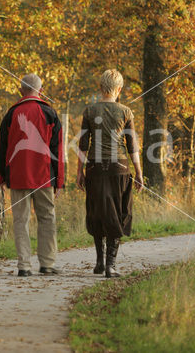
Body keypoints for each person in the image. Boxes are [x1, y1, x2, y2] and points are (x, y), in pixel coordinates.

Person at [0, 74, 64, 277]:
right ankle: (47, 263)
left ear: (20, 90)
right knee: (47, 218)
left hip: (18, 177)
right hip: (44, 176)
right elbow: (57, 151)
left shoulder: (11, 114)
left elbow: (0, 149)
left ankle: (24, 266)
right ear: (40, 91)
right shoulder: (49, 113)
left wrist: (1, 177)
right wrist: (59, 181)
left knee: (20, 221)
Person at [76, 69, 143, 278]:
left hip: (94, 168)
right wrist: (139, 173)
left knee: (97, 211)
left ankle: (99, 261)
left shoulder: (89, 111)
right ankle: (110, 265)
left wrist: (79, 172)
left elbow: (83, 145)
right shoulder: (125, 112)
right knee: (119, 212)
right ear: (119, 89)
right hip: (119, 168)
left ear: (100, 87)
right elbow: (132, 146)